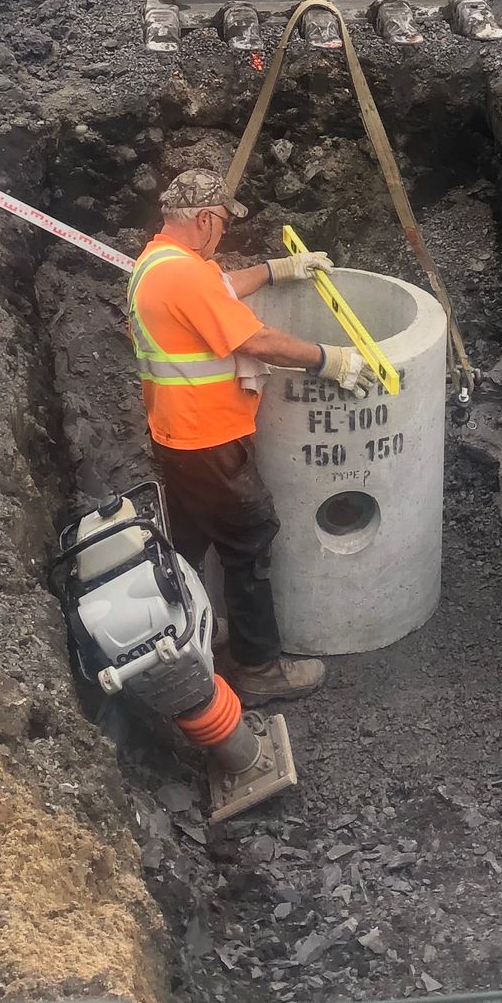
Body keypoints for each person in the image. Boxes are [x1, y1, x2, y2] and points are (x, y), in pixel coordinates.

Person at [128, 169, 367, 704]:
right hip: (210, 441)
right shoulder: (184, 276)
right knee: (250, 539)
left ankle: (192, 641)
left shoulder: (158, 262)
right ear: (206, 219)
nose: (222, 236)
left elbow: (221, 287)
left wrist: (275, 270)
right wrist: (327, 358)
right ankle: (258, 668)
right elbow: (255, 338)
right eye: (221, 225)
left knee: (189, 543)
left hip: (176, 437)